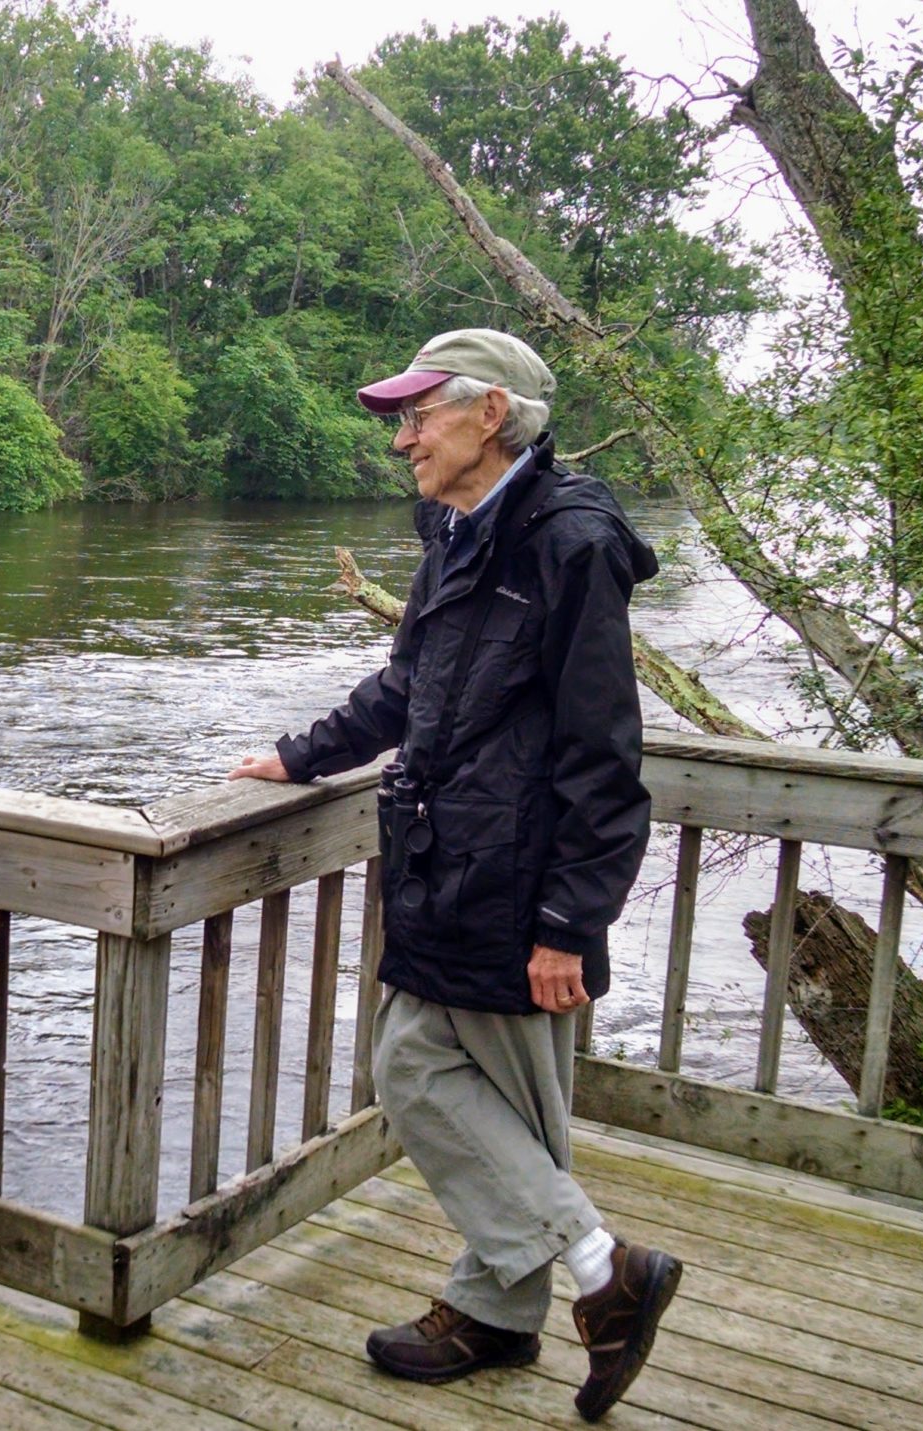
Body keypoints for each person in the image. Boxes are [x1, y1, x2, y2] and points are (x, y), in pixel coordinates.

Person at [231, 329, 676, 1421]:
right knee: (446, 1080)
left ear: (490, 414)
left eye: (417, 414)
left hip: (518, 879)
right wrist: (300, 755)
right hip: (445, 858)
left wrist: (571, 919)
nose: (401, 438)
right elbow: (408, 689)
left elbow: (600, 750)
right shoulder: (458, 529)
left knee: (459, 1084)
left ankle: (591, 1272)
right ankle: (512, 1305)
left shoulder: (568, 544)